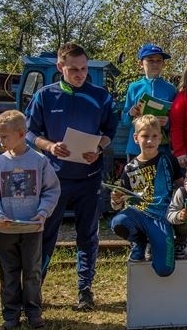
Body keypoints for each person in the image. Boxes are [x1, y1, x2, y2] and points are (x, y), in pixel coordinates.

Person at [25, 42, 118, 311]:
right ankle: (34, 290)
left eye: (84, 69)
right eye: (74, 69)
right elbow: (30, 133)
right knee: (45, 235)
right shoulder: (44, 96)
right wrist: (50, 146)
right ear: (60, 67)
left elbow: (110, 130)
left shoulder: (100, 96)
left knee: (87, 236)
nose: (80, 74)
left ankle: (85, 290)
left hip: (89, 177)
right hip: (54, 180)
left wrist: (99, 148)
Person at [0, 110, 61, 330]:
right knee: (8, 272)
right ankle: (10, 313)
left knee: (32, 272)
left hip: (32, 228)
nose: (0, 141)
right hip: (5, 229)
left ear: (21, 134)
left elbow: (51, 190)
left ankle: (33, 311)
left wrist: (43, 213)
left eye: (4, 136)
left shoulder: (39, 161)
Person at [110, 115, 183, 276]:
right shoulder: (129, 168)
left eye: (154, 136)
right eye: (145, 136)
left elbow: (182, 186)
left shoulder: (168, 159)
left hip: (161, 217)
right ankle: (139, 242)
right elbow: (119, 202)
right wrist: (115, 200)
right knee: (118, 222)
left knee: (164, 269)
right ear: (136, 138)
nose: (150, 141)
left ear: (160, 138)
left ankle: (157, 241)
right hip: (138, 214)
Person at [121, 43, 177, 160]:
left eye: (159, 60)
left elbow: (176, 121)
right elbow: (125, 121)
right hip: (136, 148)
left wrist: (167, 122)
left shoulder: (171, 89)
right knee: (135, 173)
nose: (155, 64)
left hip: (161, 148)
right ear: (141, 64)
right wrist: (130, 113)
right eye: (150, 60)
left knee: (161, 173)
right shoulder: (134, 87)